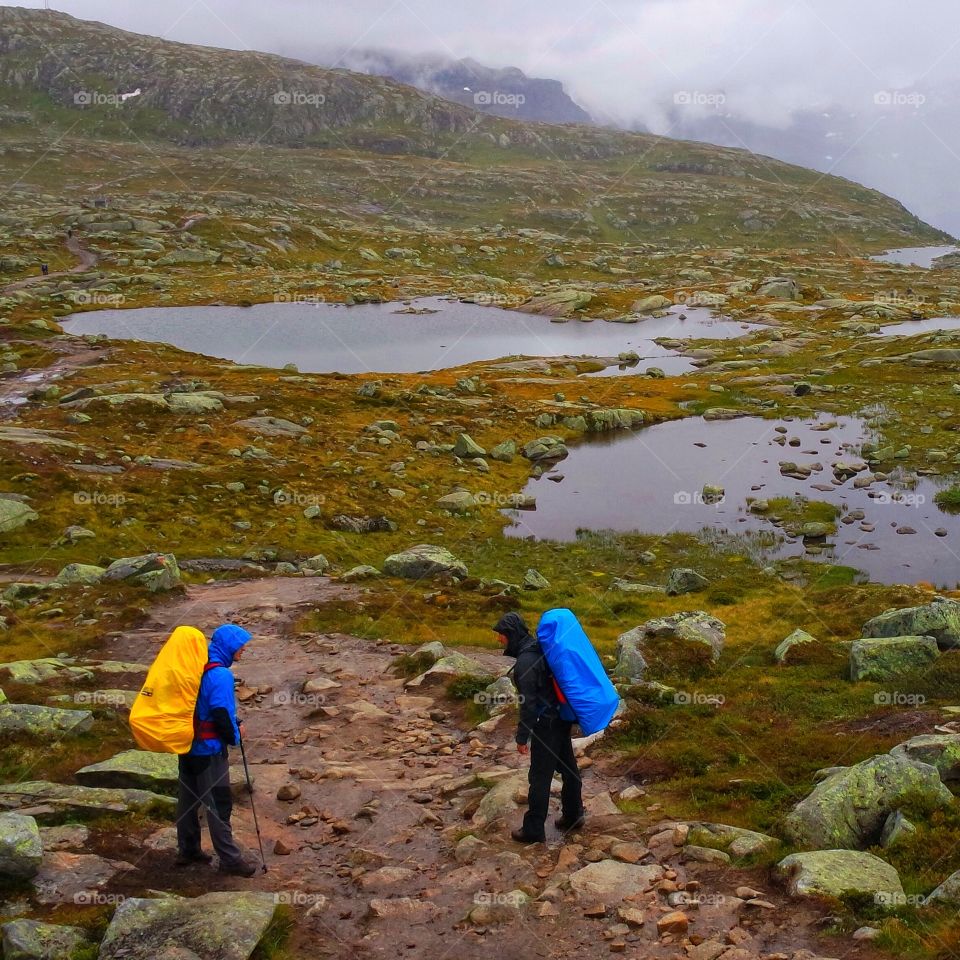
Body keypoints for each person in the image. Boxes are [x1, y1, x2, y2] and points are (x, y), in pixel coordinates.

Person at [494, 612, 584, 843]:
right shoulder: (539, 648)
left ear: (511, 635)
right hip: (562, 718)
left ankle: (534, 829)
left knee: (540, 778)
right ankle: (574, 815)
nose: (498, 640)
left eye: (501, 635)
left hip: (546, 724)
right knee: (568, 769)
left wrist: (522, 737)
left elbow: (529, 705)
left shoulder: (525, 662)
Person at [176, 623, 258, 876]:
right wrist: (235, 735)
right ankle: (230, 860)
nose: (244, 649)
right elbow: (221, 713)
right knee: (218, 804)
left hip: (187, 745)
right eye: (240, 646)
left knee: (188, 801)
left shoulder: (196, 666)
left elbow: (203, 708)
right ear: (229, 647)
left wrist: (235, 722)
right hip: (209, 750)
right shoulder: (221, 675)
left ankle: (188, 850)